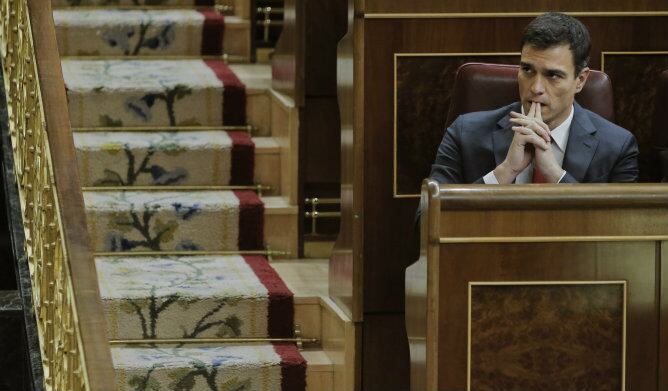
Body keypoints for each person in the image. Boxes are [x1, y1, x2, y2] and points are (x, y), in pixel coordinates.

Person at [430, 12, 639, 184]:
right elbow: (427, 221)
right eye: (527, 70)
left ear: (580, 80)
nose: (536, 88)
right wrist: (504, 173)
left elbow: (619, 231)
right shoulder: (465, 133)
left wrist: (556, 177)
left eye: (553, 75)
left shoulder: (617, 147)